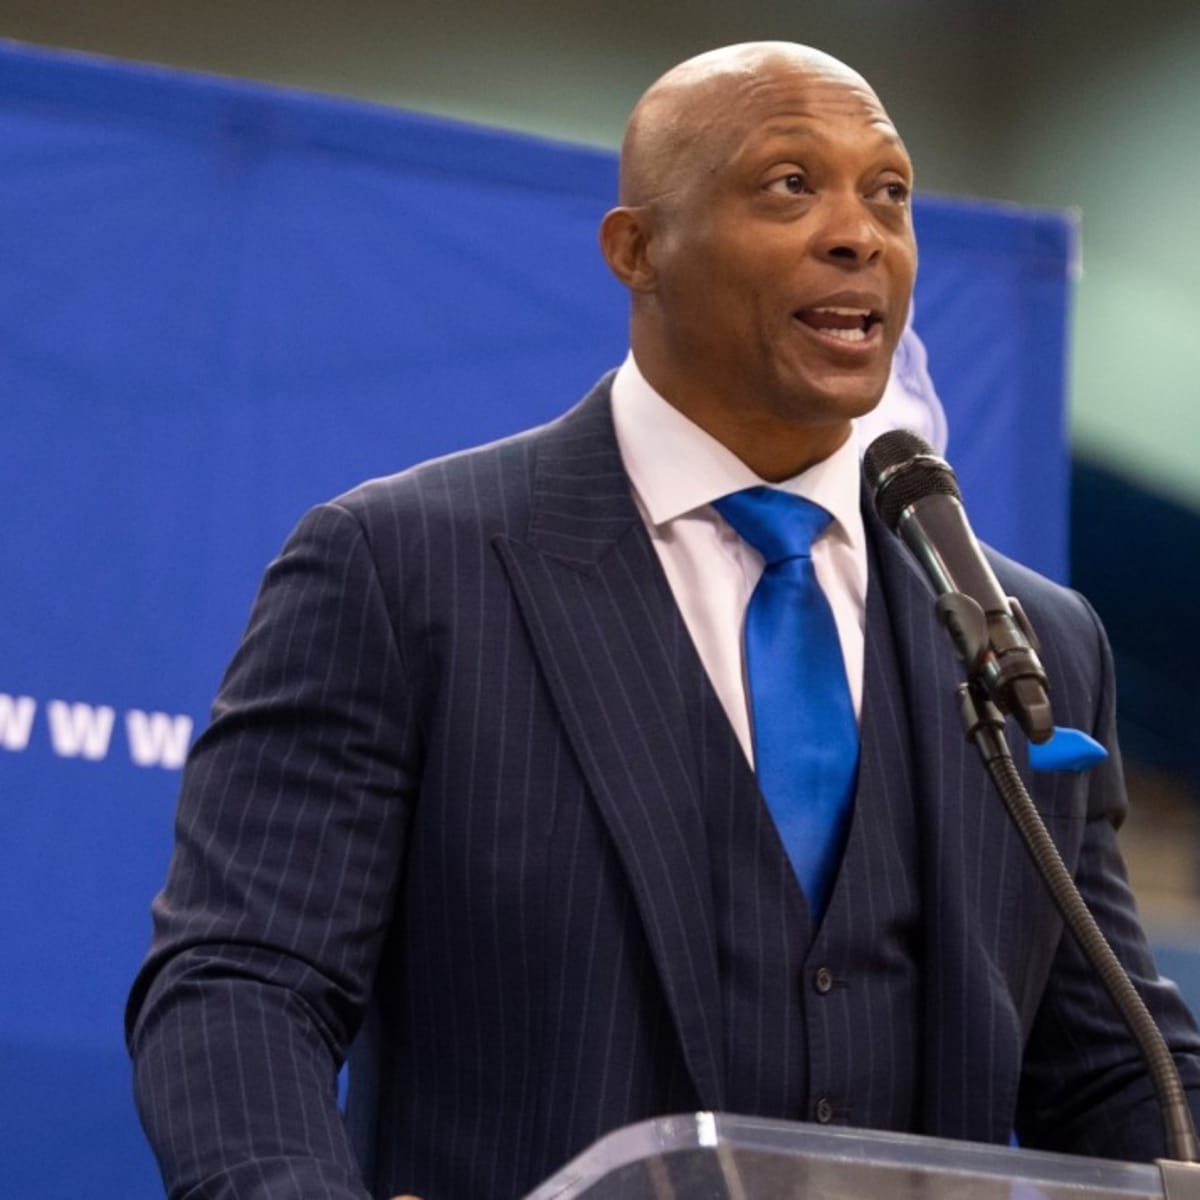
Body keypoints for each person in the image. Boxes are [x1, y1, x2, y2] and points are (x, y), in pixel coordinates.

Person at [126, 41, 1200, 1200]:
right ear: (637, 250)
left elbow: (1110, 1071)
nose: (860, 234)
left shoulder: (1033, 637)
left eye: (888, 192)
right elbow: (242, 986)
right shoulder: (402, 567)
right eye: (790, 185)